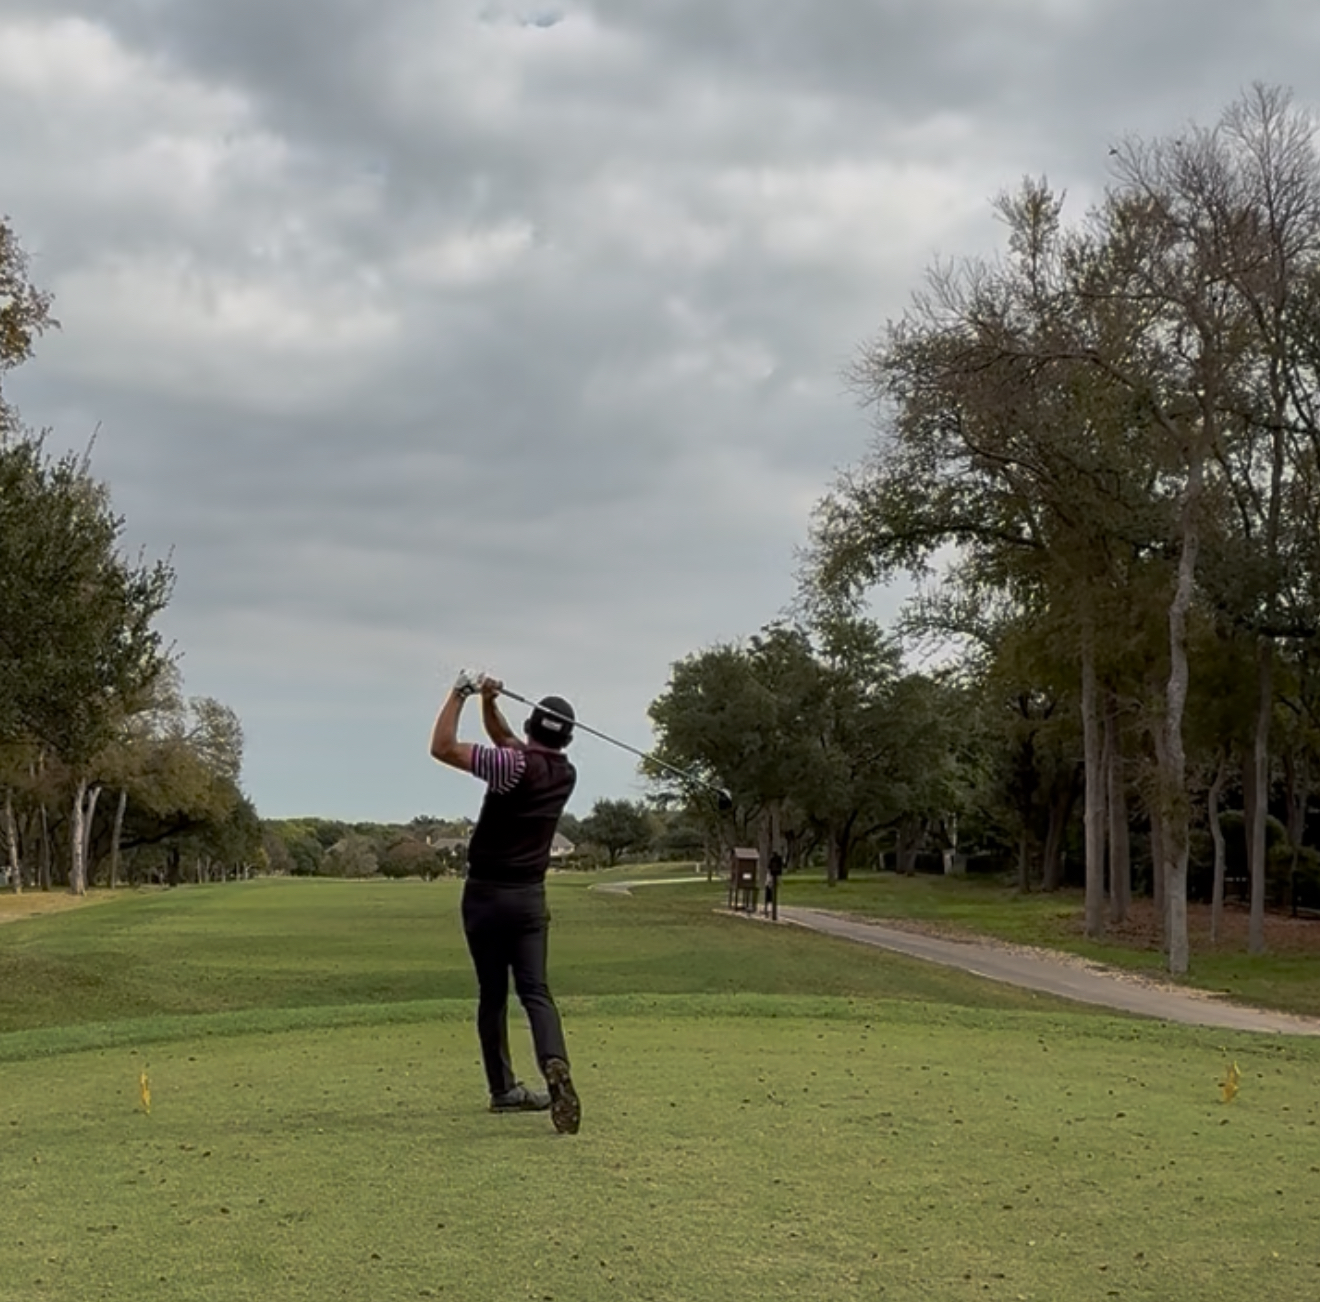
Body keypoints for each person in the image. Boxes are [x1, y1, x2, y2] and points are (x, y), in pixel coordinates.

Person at [429, 669, 582, 1135]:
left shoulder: (510, 765)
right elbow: (509, 742)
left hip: (484, 897)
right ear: (567, 739)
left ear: (533, 727)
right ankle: (554, 1062)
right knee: (536, 991)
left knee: (492, 995)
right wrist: (489, 703)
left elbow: (443, 747)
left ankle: (502, 1090)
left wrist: (459, 693)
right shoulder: (564, 773)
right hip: (529, 900)